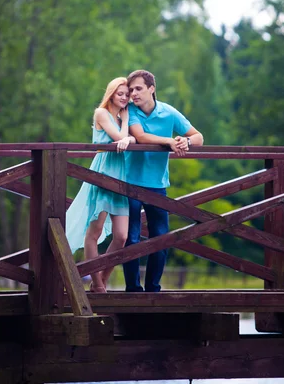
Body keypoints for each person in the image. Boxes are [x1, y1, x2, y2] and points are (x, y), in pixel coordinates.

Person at [123, 69, 204, 292]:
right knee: (131, 239)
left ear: (152, 89)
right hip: (128, 184)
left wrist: (185, 142)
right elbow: (140, 137)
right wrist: (169, 141)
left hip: (157, 185)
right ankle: (133, 291)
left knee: (161, 239)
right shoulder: (130, 110)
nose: (134, 94)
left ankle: (153, 290)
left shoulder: (169, 112)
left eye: (138, 89)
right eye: (131, 90)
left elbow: (199, 137)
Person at [66, 77, 136, 292]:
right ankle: (96, 284)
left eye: (127, 94)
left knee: (122, 236)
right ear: (111, 93)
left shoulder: (125, 116)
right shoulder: (102, 113)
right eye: (120, 93)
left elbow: (131, 139)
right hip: (103, 173)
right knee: (94, 233)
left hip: (121, 177)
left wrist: (130, 138)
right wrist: (125, 127)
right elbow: (119, 137)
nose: (124, 97)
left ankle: (102, 279)